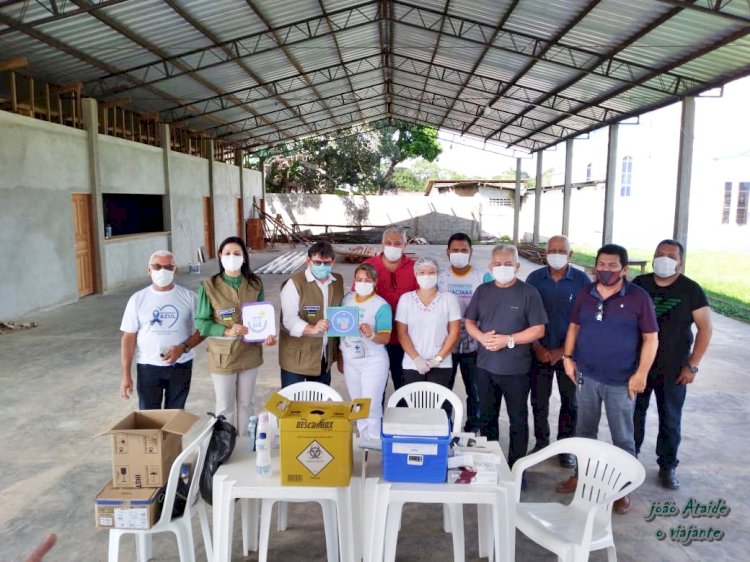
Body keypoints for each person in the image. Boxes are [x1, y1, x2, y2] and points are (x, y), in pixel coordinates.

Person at [559, 243, 658, 514]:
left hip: (621, 381)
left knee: (623, 437)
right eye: (601, 264)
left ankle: (623, 489)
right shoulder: (585, 294)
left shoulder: (639, 298)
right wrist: (568, 357)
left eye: (612, 265)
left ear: (624, 269)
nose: (606, 270)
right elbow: (574, 326)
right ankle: (581, 476)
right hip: (586, 376)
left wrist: (641, 374)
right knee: (585, 431)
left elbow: (651, 338)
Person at [633, 239, 712, 490]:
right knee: (634, 415)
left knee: (670, 418)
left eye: (671, 255)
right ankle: (629, 460)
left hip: (675, 368)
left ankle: (668, 466)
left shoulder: (691, 290)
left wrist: (693, 365)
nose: (664, 259)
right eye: (660, 254)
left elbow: (705, 328)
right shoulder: (639, 285)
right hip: (639, 366)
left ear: (680, 261)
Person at [465, 244, 547, 468]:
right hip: (485, 367)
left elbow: (538, 329)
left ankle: (516, 467)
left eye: (508, 264)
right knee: (487, 418)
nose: (503, 268)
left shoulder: (528, 292)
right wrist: (481, 337)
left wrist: (508, 340)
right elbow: (469, 321)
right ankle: (490, 463)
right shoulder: (483, 291)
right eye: (498, 264)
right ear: (491, 266)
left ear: (517, 266)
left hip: (516, 370)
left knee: (517, 419)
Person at [196, 236, 276, 436]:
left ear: (245, 257)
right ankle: (224, 449)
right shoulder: (209, 286)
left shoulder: (255, 283)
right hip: (223, 355)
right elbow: (202, 322)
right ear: (220, 257)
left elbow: (261, 315)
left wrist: (266, 335)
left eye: (237, 253)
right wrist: (226, 330)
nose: (232, 257)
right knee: (224, 406)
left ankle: (245, 444)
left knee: (247, 404)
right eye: (227, 253)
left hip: (249, 352)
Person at [525, 235, 590, 467]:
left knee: (570, 401)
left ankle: (566, 447)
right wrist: (537, 347)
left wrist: (564, 352)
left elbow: (587, 321)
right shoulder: (534, 278)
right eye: (551, 249)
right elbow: (526, 316)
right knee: (538, 400)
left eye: (561, 250)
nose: (556, 254)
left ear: (570, 254)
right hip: (539, 351)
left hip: (570, 355)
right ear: (545, 253)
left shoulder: (582, 281)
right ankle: (541, 442)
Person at [120, 250, 203, 409]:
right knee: (149, 419)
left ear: (176, 270)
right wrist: (126, 374)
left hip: (181, 365)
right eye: (157, 267)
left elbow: (203, 330)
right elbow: (128, 337)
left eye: (168, 267)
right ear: (149, 270)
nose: (162, 271)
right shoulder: (137, 299)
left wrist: (183, 348)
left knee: (176, 416)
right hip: (148, 366)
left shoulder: (189, 297)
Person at [438, 232, 492, 432]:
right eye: (455, 250)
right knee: (444, 389)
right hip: (446, 344)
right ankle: (444, 427)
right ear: (448, 252)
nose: (459, 254)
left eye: (463, 250)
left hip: (475, 343)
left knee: (475, 390)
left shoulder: (483, 277)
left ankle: (473, 428)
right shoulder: (440, 277)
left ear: (471, 252)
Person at [337, 263, 392, 439]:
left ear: (375, 282)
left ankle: (375, 443)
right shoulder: (347, 300)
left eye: (367, 280)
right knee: (358, 406)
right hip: (350, 361)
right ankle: (363, 443)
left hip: (373, 363)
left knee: (372, 407)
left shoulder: (381, 306)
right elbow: (340, 330)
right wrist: (340, 357)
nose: (362, 283)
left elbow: (385, 338)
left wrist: (371, 334)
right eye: (359, 279)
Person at [279, 241, 344, 387]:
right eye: (317, 262)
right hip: (296, 358)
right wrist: (312, 328)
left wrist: (340, 353)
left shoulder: (337, 281)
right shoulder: (294, 284)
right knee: (292, 405)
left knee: (319, 406)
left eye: (326, 263)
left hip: (323, 357)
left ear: (333, 262)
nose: (322, 266)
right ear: (308, 261)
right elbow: (289, 320)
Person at [363, 225, 418, 392]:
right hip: (375, 338)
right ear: (382, 243)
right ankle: (375, 419)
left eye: (397, 243)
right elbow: (355, 300)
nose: (392, 247)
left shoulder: (415, 268)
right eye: (388, 242)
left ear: (405, 245)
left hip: (406, 340)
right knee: (374, 389)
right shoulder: (368, 267)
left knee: (404, 389)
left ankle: (402, 417)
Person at [395, 257, 461, 391]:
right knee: (415, 406)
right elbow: (402, 333)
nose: (427, 276)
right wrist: (417, 359)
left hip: (441, 364)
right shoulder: (406, 299)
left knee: (438, 405)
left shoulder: (449, 299)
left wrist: (438, 359)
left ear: (438, 274)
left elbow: (454, 333)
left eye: (431, 272)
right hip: (412, 363)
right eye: (422, 272)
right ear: (415, 275)